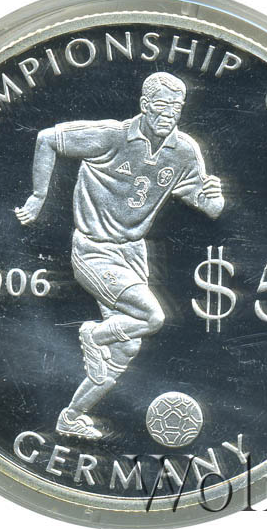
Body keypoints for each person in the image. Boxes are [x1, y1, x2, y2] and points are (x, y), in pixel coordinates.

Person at [16, 72, 225, 439]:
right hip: (94, 250)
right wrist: (38, 197)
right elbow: (48, 139)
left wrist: (214, 198)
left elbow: (208, 206)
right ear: (144, 105)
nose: (168, 114)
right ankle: (94, 336)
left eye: (176, 107)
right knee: (151, 316)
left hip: (133, 254)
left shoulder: (184, 150)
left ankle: (71, 416)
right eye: (161, 105)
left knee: (125, 348)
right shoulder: (112, 136)